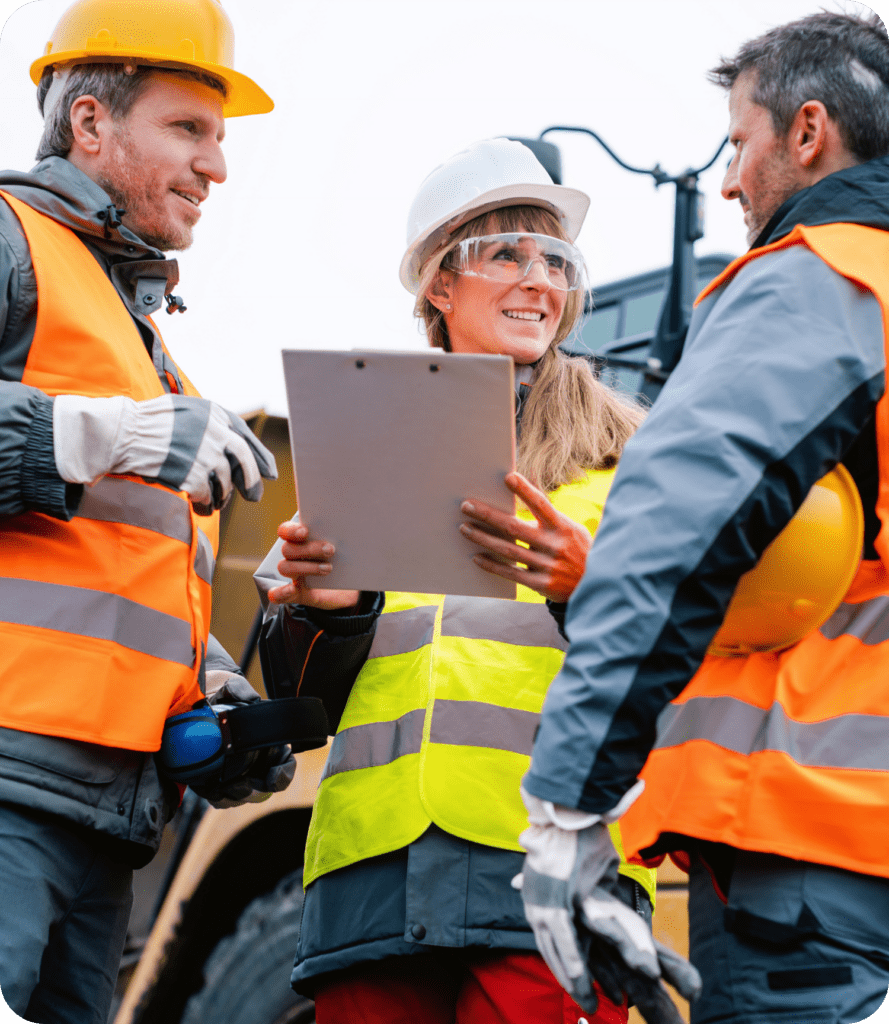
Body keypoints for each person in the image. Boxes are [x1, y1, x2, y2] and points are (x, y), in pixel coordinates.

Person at [514, 10, 889, 1024]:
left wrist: (567, 803)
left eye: (738, 143)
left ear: (806, 134)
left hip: (817, 863)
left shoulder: (825, 276)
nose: (728, 182)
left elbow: (673, 533)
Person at [255, 137, 658, 1024]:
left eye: (555, 259)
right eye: (506, 252)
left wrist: (581, 586)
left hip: (551, 875)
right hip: (373, 878)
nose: (538, 280)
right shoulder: (357, 451)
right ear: (440, 283)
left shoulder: (629, 464)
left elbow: (688, 670)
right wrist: (334, 610)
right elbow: (304, 704)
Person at [0, 1, 291, 1021]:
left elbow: (103, 580)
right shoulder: (9, 239)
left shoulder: (152, 355)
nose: (217, 166)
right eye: (188, 129)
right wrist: (100, 437)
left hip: (104, 815)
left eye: (219, 139)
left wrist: (204, 690)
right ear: (90, 123)